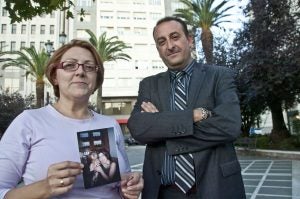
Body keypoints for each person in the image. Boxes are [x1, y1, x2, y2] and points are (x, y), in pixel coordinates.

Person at [0, 39, 143, 199]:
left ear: (96, 79)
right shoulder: (29, 122)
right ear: (55, 77)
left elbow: (122, 184)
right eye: (69, 65)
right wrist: (44, 187)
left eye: (89, 67)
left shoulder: (110, 124)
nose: (80, 72)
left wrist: (128, 188)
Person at [127, 16, 245, 199]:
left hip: (216, 190)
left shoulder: (219, 76)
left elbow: (229, 126)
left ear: (189, 40)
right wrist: (192, 116)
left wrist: (161, 125)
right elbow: (138, 128)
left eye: (175, 37)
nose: (170, 45)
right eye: (162, 41)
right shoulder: (149, 85)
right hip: (163, 192)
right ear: (158, 49)